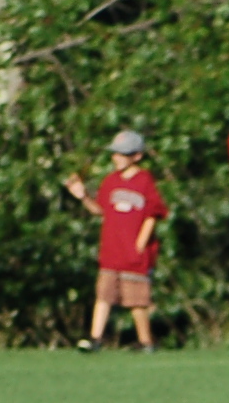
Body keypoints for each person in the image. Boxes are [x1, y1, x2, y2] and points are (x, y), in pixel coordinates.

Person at [63, 130, 169, 352]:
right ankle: (95, 339)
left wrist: (140, 245)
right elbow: (99, 210)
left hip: (134, 253)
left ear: (137, 156)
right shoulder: (110, 181)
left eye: (123, 154)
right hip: (111, 249)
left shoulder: (145, 181)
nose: (117, 158)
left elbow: (153, 214)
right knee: (104, 295)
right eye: (115, 154)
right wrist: (83, 196)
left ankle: (146, 342)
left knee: (136, 300)